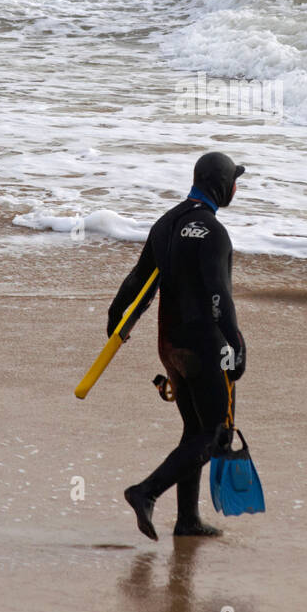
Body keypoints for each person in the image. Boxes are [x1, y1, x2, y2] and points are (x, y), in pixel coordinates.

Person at [108, 150, 247, 540]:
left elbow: (139, 279)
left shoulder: (167, 222)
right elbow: (220, 297)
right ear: (222, 186)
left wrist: (116, 315)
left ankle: (187, 520)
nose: (236, 187)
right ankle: (145, 492)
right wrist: (235, 344)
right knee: (216, 431)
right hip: (203, 346)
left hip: (170, 346)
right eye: (234, 180)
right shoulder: (214, 233)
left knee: (194, 429)